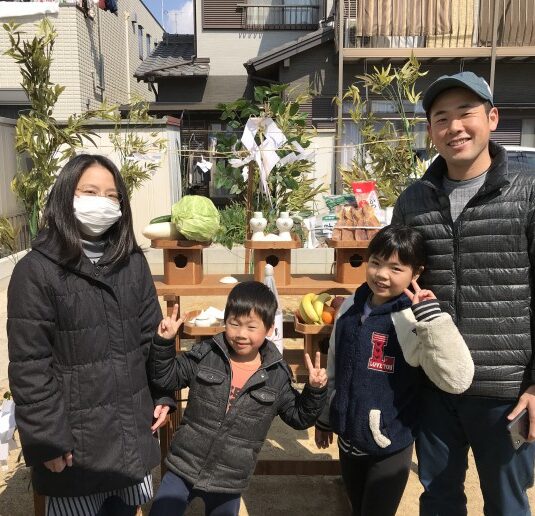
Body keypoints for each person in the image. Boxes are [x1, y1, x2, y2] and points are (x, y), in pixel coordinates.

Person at [392, 71, 535, 515]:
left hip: (506, 389)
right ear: (431, 131)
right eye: (441, 118)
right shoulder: (413, 201)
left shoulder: (528, 192)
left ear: (492, 118)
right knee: (438, 498)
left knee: (507, 503)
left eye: (466, 113)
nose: (455, 127)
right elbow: (394, 281)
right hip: (436, 385)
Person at [7, 154, 175, 516]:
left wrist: (163, 392)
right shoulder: (36, 272)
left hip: (130, 433)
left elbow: (151, 339)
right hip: (74, 446)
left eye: (112, 195)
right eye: (90, 191)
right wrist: (47, 440)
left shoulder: (132, 262)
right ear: (66, 197)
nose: (102, 201)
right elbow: (30, 366)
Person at [314, 225, 474, 516]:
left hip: (390, 443)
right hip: (349, 439)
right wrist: (327, 416)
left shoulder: (412, 318)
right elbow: (334, 366)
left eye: (395, 268)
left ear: (416, 273)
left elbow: (457, 378)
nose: (382, 274)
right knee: (356, 507)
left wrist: (432, 320)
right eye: (375, 263)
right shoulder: (349, 307)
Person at [148, 280, 327, 516]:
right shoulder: (207, 355)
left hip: (230, 477)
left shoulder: (276, 376)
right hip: (184, 464)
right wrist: (164, 343)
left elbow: (299, 417)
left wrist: (314, 391)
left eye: (252, 327)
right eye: (234, 323)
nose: (241, 334)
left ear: (270, 329)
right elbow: (166, 378)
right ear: (225, 321)